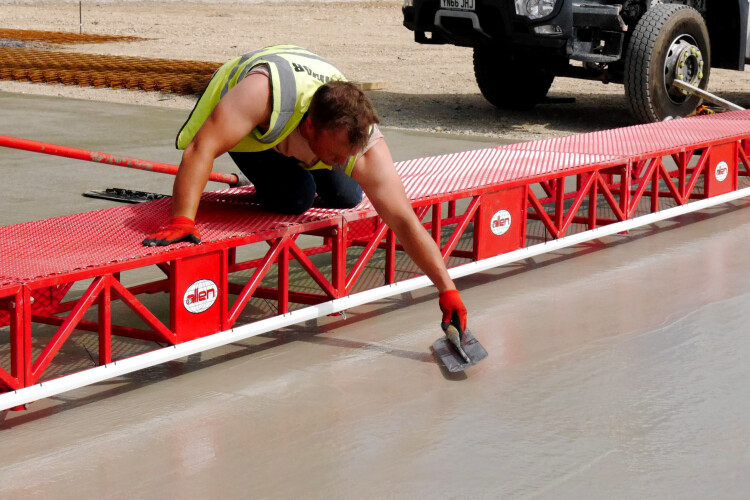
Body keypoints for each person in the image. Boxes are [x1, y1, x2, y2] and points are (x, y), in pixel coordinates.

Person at [142, 45, 468, 332]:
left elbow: (404, 221)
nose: (344, 161)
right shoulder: (261, 95)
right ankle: (287, 172)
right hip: (255, 134)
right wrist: (183, 220)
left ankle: (306, 164)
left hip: (303, 128)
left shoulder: (358, 139)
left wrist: (446, 288)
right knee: (296, 196)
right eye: (338, 154)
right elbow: (202, 149)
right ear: (311, 126)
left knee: (348, 196)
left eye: (348, 156)